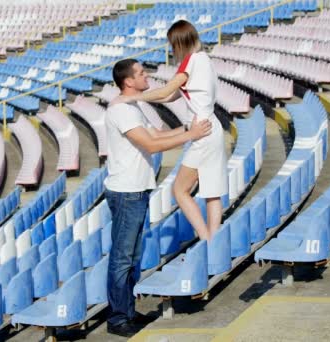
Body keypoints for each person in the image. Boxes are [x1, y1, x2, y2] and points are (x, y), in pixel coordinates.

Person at [105, 58, 212, 337]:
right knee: (122, 257)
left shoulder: (134, 106)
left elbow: (158, 134)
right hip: (127, 191)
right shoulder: (122, 110)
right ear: (129, 81)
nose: (146, 76)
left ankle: (126, 311)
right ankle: (118, 318)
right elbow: (151, 145)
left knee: (132, 256)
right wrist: (190, 134)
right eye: (141, 73)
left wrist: (189, 128)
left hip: (137, 189)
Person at [111, 20, 228, 242]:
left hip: (201, 131)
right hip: (212, 126)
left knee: (179, 190)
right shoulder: (205, 60)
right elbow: (170, 96)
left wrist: (134, 97)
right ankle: (215, 241)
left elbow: (166, 90)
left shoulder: (190, 62)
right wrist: (148, 98)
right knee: (212, 192)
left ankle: (206, 239)